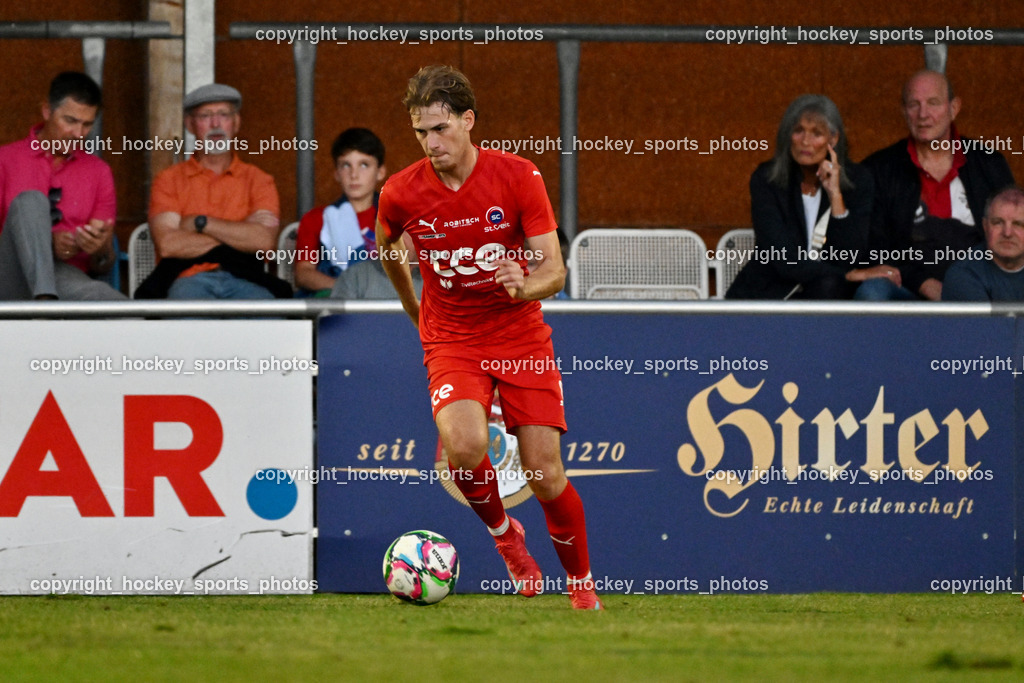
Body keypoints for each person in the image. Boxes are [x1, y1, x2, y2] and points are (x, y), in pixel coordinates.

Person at [375, 65, 602, 610]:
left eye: (440, 129)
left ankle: (581, 586)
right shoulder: (400, 192)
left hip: (519, 333)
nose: (431, 143)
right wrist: (415, 309)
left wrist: (524, 286)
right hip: (452, 337)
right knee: (465, 445)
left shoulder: (519, 177)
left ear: (468, 120)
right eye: (421, 133)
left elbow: (555, 270)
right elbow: (389, 252)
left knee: (545, 473)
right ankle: (506, 538)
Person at [858, 70, 1015, 300]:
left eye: (933, 103)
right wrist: (923, 282)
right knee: (872, 292)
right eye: (914, 104)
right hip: (907, 288)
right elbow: (873, 244)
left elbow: (1012, 233)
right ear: (903, 111)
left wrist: (966, 285)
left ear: (954, 108)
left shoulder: (988, 164)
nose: (923, 114)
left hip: (979, 288)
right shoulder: (879, 168)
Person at [140, 83, 289, 299]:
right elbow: (168, 245)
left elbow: (263, 241)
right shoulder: (169, 180)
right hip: (188, 280)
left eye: (224, 115)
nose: (216, 123)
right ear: (190, 124)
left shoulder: (259, 180)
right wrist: (241, 234)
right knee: (187, 317)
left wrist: (200, 223)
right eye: (205, 116)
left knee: (266, 320)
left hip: (248, 281)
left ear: (236, 123)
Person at [726, 94, 882, 299]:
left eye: (816, 133)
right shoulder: (767, 179)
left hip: (828, 295)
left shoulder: (858, 181)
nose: (805, 141)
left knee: (830, 285)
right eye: (798, 131)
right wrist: (848, 275)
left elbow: (848, 256)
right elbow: (784, 260)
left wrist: (835, 195)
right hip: (769, 293)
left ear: (833, 139)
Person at [0, 71, 124, 300]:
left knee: (106, 299)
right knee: (30, 201)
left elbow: (103, 265)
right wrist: (44, 244)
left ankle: (46, 307)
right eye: (70, 121)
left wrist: (99, 248)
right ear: (47, 111)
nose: (78, 134)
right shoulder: (4, 160)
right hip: (7, 275)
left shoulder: (98, 171)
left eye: (87, 125)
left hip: (66, 278)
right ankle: (46, 306)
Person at [295, 128, 386, 296]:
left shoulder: (397, 219)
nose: (354, 175)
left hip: (385, 304)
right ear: (336, 173)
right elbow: (303, 273)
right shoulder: (317, 219)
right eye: (346, 165)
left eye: (364, 165)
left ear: (380, 172)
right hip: (337, 301)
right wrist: (347, 288)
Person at [943, 186, 1024, 301]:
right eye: (997, 223)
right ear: (985, 226)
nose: (1007, 233)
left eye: (1018, 224)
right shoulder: (963, 275)